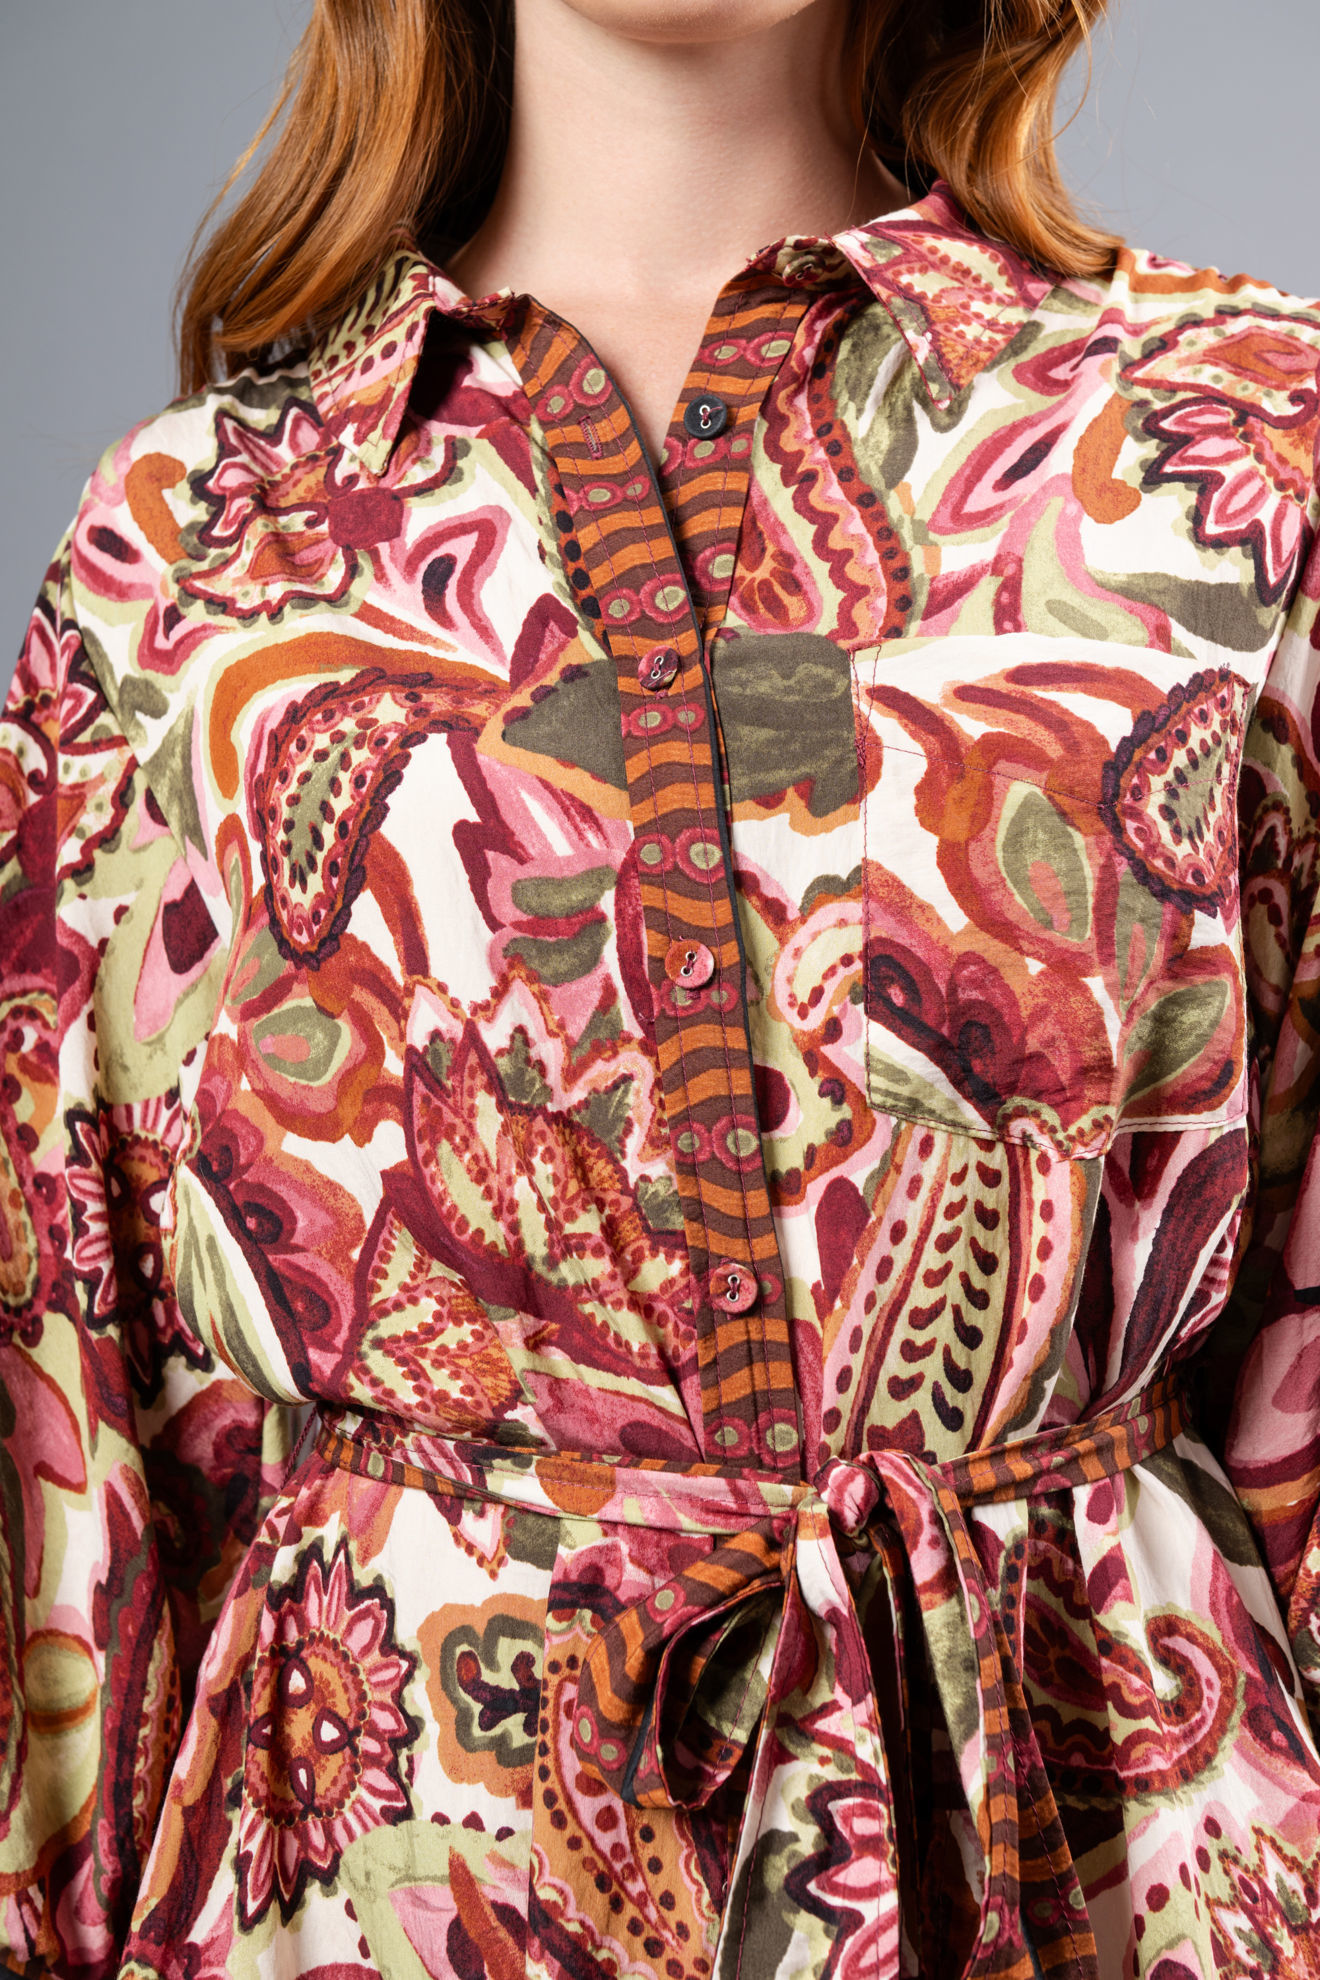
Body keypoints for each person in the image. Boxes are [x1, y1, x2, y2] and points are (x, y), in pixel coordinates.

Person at [3, 0, 1320, 1972]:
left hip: (1102, 1872)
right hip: (386, 1885)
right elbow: (69, 1404)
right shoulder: (185, 551)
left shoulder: (1244, 447)